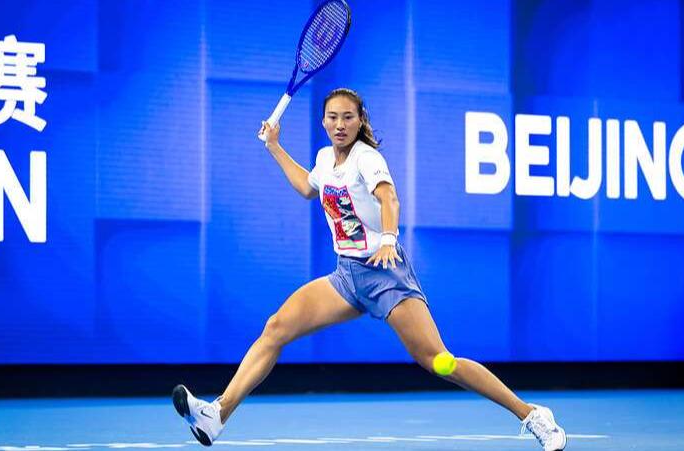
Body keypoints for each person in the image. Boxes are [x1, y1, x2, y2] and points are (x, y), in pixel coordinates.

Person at [172, 88, 567, 451]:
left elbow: (388, 197)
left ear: (360, 120)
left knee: (438, 361)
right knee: (276, 328)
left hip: (385, 274)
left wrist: (389, 238)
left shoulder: (367, 158)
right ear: (323, 121)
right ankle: (217, 414)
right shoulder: (325, 159)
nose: (340, 124)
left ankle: (532, 414)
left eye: (348, 117)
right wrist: (274, 146)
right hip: (346, 276)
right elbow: (307, 187)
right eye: (332, 117)